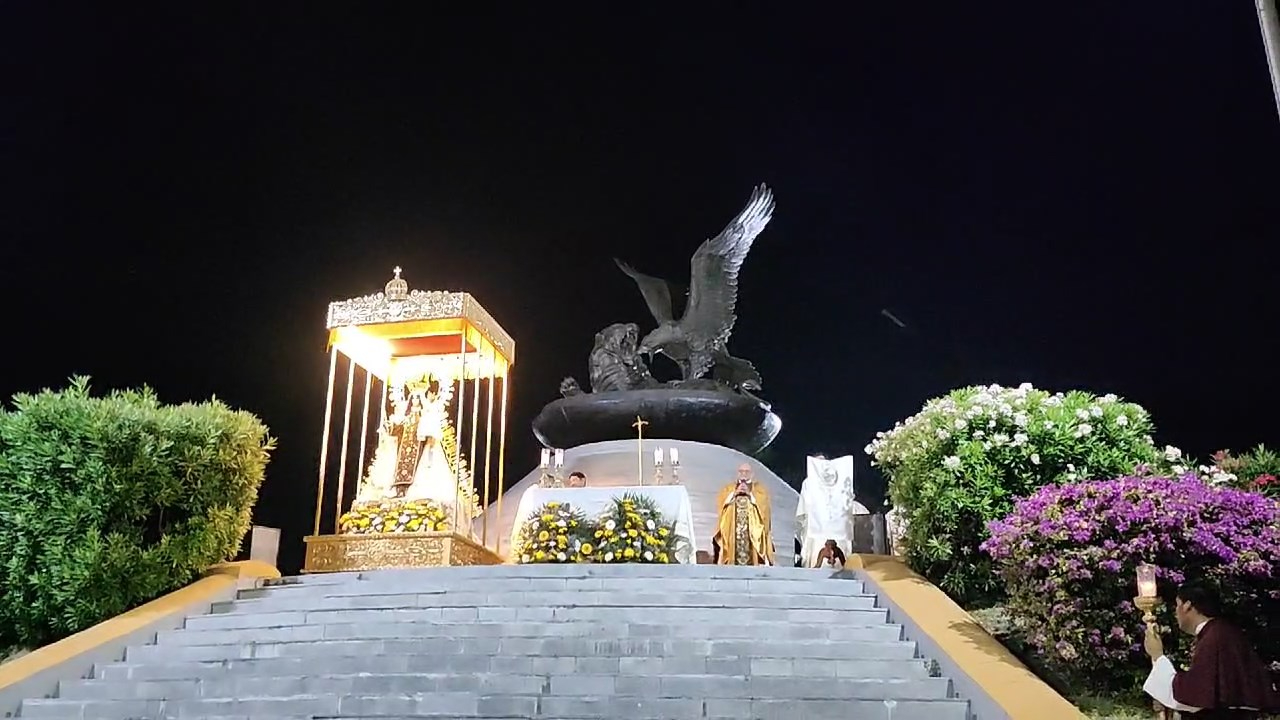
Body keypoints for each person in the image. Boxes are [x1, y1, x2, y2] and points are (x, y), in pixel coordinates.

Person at [1143, 581, 1280, 719]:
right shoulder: (1221, 632)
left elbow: (1194, 694)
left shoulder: (1215, 637)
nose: (1176, 613)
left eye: (1177, 605)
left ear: (1187, 606)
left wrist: (1158, 656)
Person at [712, 463, 775, 565]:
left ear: (752, 474)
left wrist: (750, 495)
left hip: (751, 535)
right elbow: (722, 505)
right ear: (737, 473)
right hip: (733, 533)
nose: (744, 474)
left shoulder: (760, 490)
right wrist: (734, 493)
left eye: (747, 472)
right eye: (741, 471)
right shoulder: (728, 489)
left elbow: (764, 510)